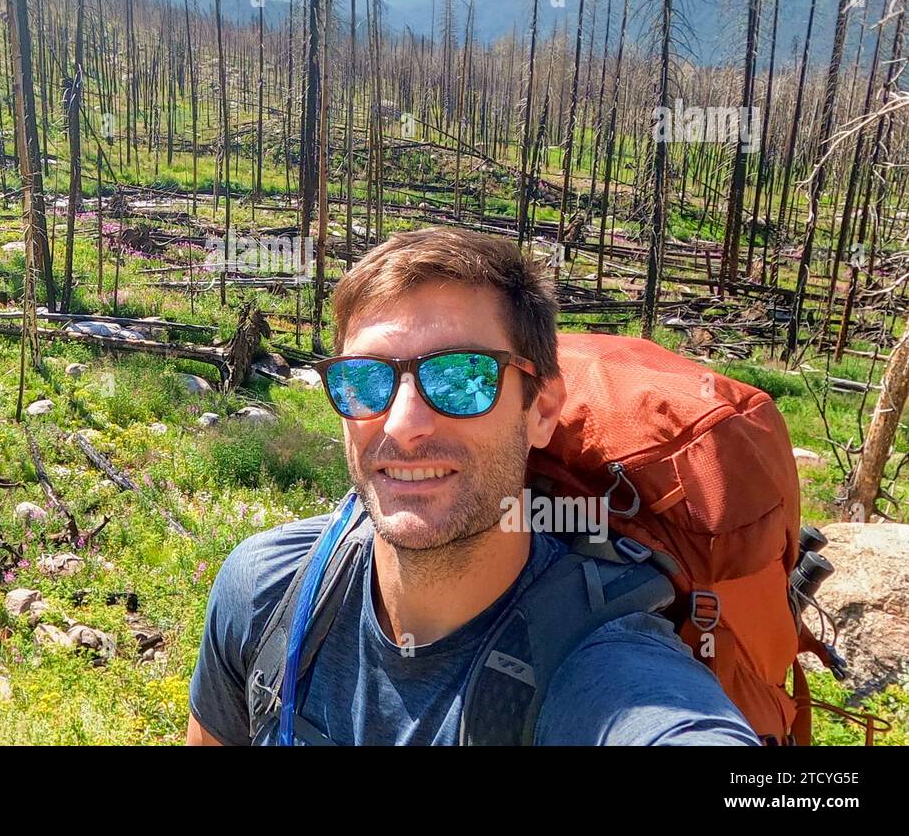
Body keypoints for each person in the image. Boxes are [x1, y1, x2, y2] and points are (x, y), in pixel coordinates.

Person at [187, 227, 760, 745]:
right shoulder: (266, 592)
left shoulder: (605, 673)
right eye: (365, 379)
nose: (403, 424)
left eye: (462, 377)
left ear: (541, 409)